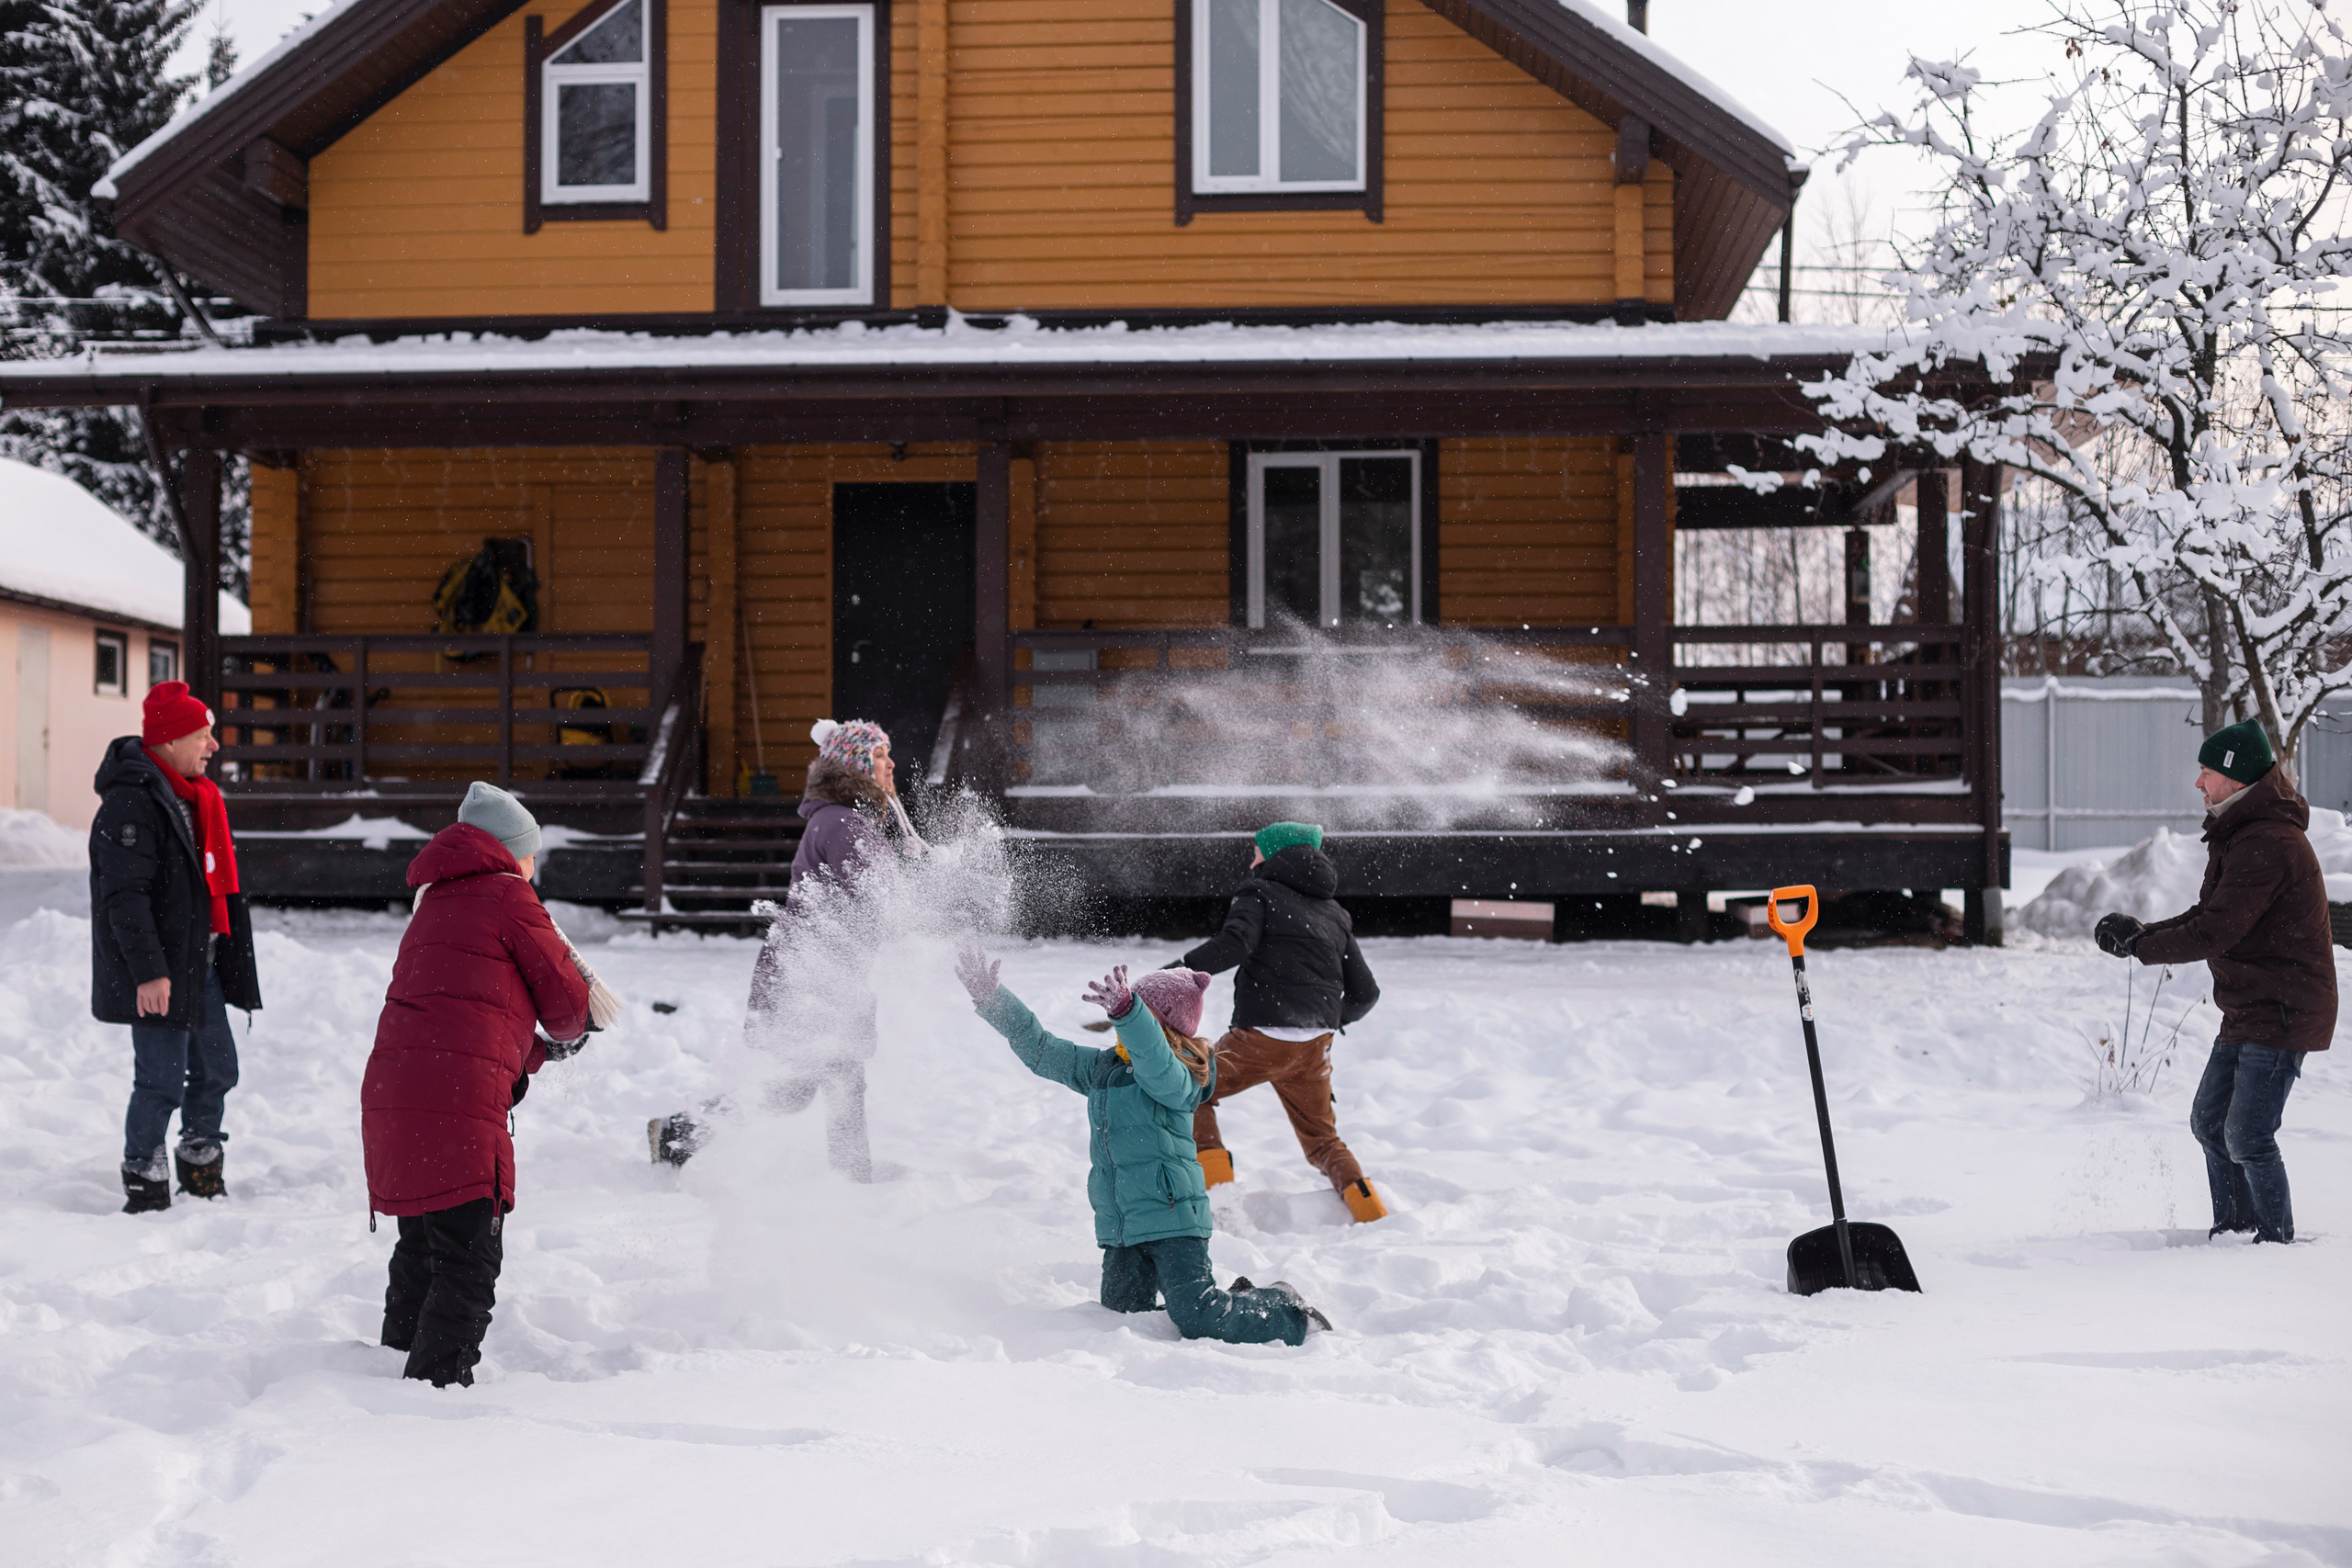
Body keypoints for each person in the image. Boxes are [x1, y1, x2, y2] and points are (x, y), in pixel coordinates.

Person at [956, 949, 1330, 1343]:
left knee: (1197, 1317)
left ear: (1159, 1022)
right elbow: (1042, 1049)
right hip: (1125, 1225)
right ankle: (1235, 1301)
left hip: (1173, 1218)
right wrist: (993, 1000)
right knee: (1122, 1319)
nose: (1122, 1022)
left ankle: (1285, 1309)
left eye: (1137, 1013)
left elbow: (1155, 1062)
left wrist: (1129, 1012)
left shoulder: (1181, 1074)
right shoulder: (1105, 1070)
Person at [361, 782, 600, 1387]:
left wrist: (539, 1051)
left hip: (398, 1092)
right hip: (457, 1105)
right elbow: (567, 1003)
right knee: (468, 1260)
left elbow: (467, 1015)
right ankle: (432, 1393)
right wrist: (577, 1025)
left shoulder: (434, 899)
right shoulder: (509, 895)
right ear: (511, 851)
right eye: (532, 853)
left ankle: (388, 1372)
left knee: (423, 1245)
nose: (534, 866)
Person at [2095, 719, 2333, 1245]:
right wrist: (2142, 934)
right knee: (2210, 1123)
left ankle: (2275, 1244)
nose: (2198, 783)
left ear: (2235, 776)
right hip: (2252, 1006)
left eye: (2206, 772)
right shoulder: (2242, 832)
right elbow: (2209, 914)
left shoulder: (2268, 841)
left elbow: (2216, 931)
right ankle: (2234, 1233)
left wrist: (2141, 947)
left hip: (2282, 1010)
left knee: (2248, 1134)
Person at [650, 717, 919, 1175]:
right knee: (837, 1078)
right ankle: (852, 1181)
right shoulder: (844, 823)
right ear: (855, 766)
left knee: (799, 1089)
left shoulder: (844, 820)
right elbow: (881, 904)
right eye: (878, 756)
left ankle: (679, 1133)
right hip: (813, 979)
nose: (890, 764)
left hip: (820, 974)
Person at [90, 680, 263, 1213]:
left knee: (218, 1070)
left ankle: (200, 1157)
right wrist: (149, 972)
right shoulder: (131, 803)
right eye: (203, 735)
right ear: (169, 740)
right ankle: (144, 1173)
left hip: (199, 965)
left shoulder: (197, 797)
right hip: (162, 971)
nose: (213, 746)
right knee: (160, 1081)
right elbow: (125, 898)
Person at [1173, 821, 1385, 1222]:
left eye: (1256, 851)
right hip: (1314, 1046)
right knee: (1323, 1142)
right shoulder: (1335, 913)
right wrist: (1323, 1019)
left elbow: (1234, 944)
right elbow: (1366, 993)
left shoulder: (1259, 893)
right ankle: (1372, 1213)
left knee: (1189, 1088)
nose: (1252, 859)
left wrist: (1178, 974)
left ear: (1273, 854)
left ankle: (1219, 1200)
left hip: (1260, 1039)